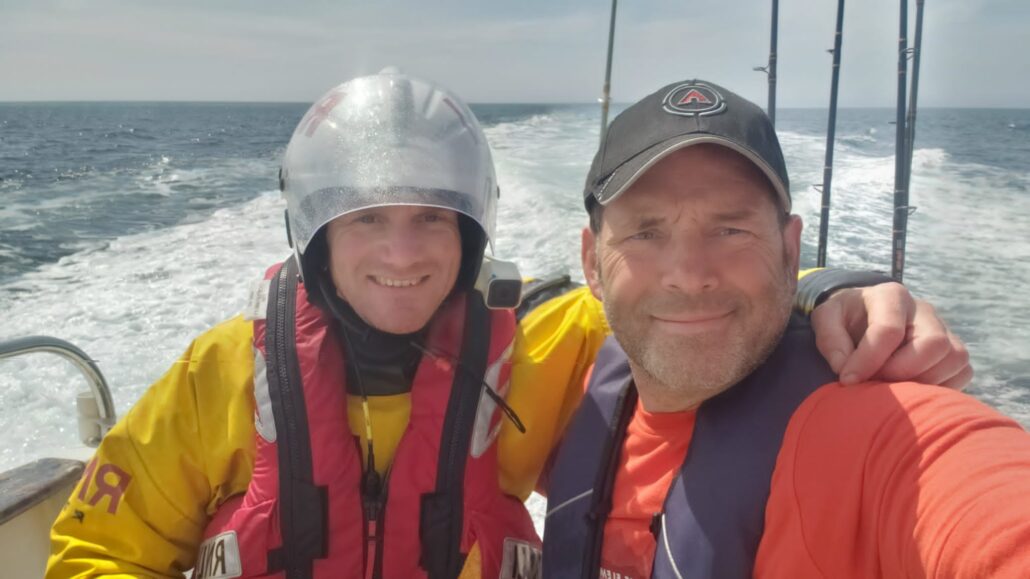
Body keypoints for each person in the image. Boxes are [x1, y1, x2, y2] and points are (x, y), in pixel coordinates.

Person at [46, 71, 969, 579]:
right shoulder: (224, 372)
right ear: (316, 235)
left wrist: (833, 289)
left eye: (432, 219)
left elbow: (686, 297)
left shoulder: (539, 343)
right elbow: (93, 551)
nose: (403, 251)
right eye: (368, 218)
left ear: (471, 228)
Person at [542, 79, 1030, 578]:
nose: (689, 275)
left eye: (731, 230)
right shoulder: (567, 395)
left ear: (790, 251)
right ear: (592, 264)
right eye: (645, 232)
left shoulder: (876, 426)